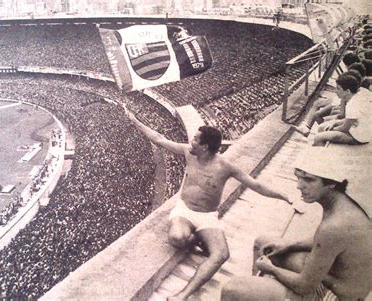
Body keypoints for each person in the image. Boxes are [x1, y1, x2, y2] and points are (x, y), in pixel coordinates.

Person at [124, 105, 291, 301]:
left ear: (205, 146)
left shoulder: (224, 166)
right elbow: (159, 139)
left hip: (207, 216)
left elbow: (255, 184)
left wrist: (283, 196)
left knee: (221, 255)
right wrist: (135, 120)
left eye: (195, 139)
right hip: (184, 210)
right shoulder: (188, 153)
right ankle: (197, 239)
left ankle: (182, 295)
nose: (191, 141)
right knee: (177, 238)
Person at [221, 147, 372, 301]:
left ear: (331, 183)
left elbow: (304, 286)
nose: (299, 185)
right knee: (263, 244)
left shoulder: (334, 225)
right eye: (299, 177)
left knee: (232, 290)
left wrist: (271, 269)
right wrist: (290, 245)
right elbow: (327, 242)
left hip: (337, 296)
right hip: (336, 278)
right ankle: (260, 292)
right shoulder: (344, 204)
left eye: (309, 179)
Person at [313, 74, 370, 146]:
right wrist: (334, 124)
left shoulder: (352, 104)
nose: (336, 91)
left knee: (318, 137)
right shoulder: (355, 98)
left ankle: (321, 154)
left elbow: (345, 128)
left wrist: (332, 129)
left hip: (358, 137)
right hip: (360, 131)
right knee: (322, 128)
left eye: (338, 89)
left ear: (347, 91)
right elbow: (349, 120)